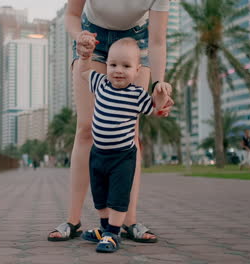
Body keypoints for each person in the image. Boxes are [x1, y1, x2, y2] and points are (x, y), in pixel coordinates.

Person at [48, 0, 173, 243]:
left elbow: (158, 41)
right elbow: (72, 13)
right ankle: (73, 220)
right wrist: (80, 37)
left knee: (131, 133)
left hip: (137, 42)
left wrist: (159, 84)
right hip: (93, 37)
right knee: (86, 128)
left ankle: (129, 222)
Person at [79, 37, 171, 253]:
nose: (118, 70)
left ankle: (114, 232)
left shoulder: (137, 95)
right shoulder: (100, 83)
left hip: (122, 157)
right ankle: (104, 229)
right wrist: (85, 58)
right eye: (113, 65)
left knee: (119, 196)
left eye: (126, 66)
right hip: (98, 154)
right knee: (99, 195)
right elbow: (84, 72)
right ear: (107, 66)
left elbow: (156, 109)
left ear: (137, 70)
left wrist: (160, 93)